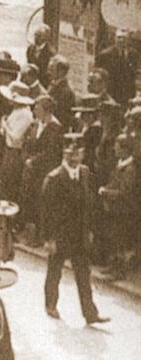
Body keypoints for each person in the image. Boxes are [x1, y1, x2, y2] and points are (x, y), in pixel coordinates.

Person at [42, 133, 108, 325]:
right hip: (60, 234)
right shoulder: (54, 178)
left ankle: (90, 313)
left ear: (83, 154)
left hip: (79, 234)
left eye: (78, 153)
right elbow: (46, 212)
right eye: (70, 153)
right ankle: (50, 305)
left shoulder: (86, 173)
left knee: (83, 274)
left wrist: (90, 230)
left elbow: (90, 204)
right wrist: (49, 239)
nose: (74, 157)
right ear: (64, 153)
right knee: (54, 271)